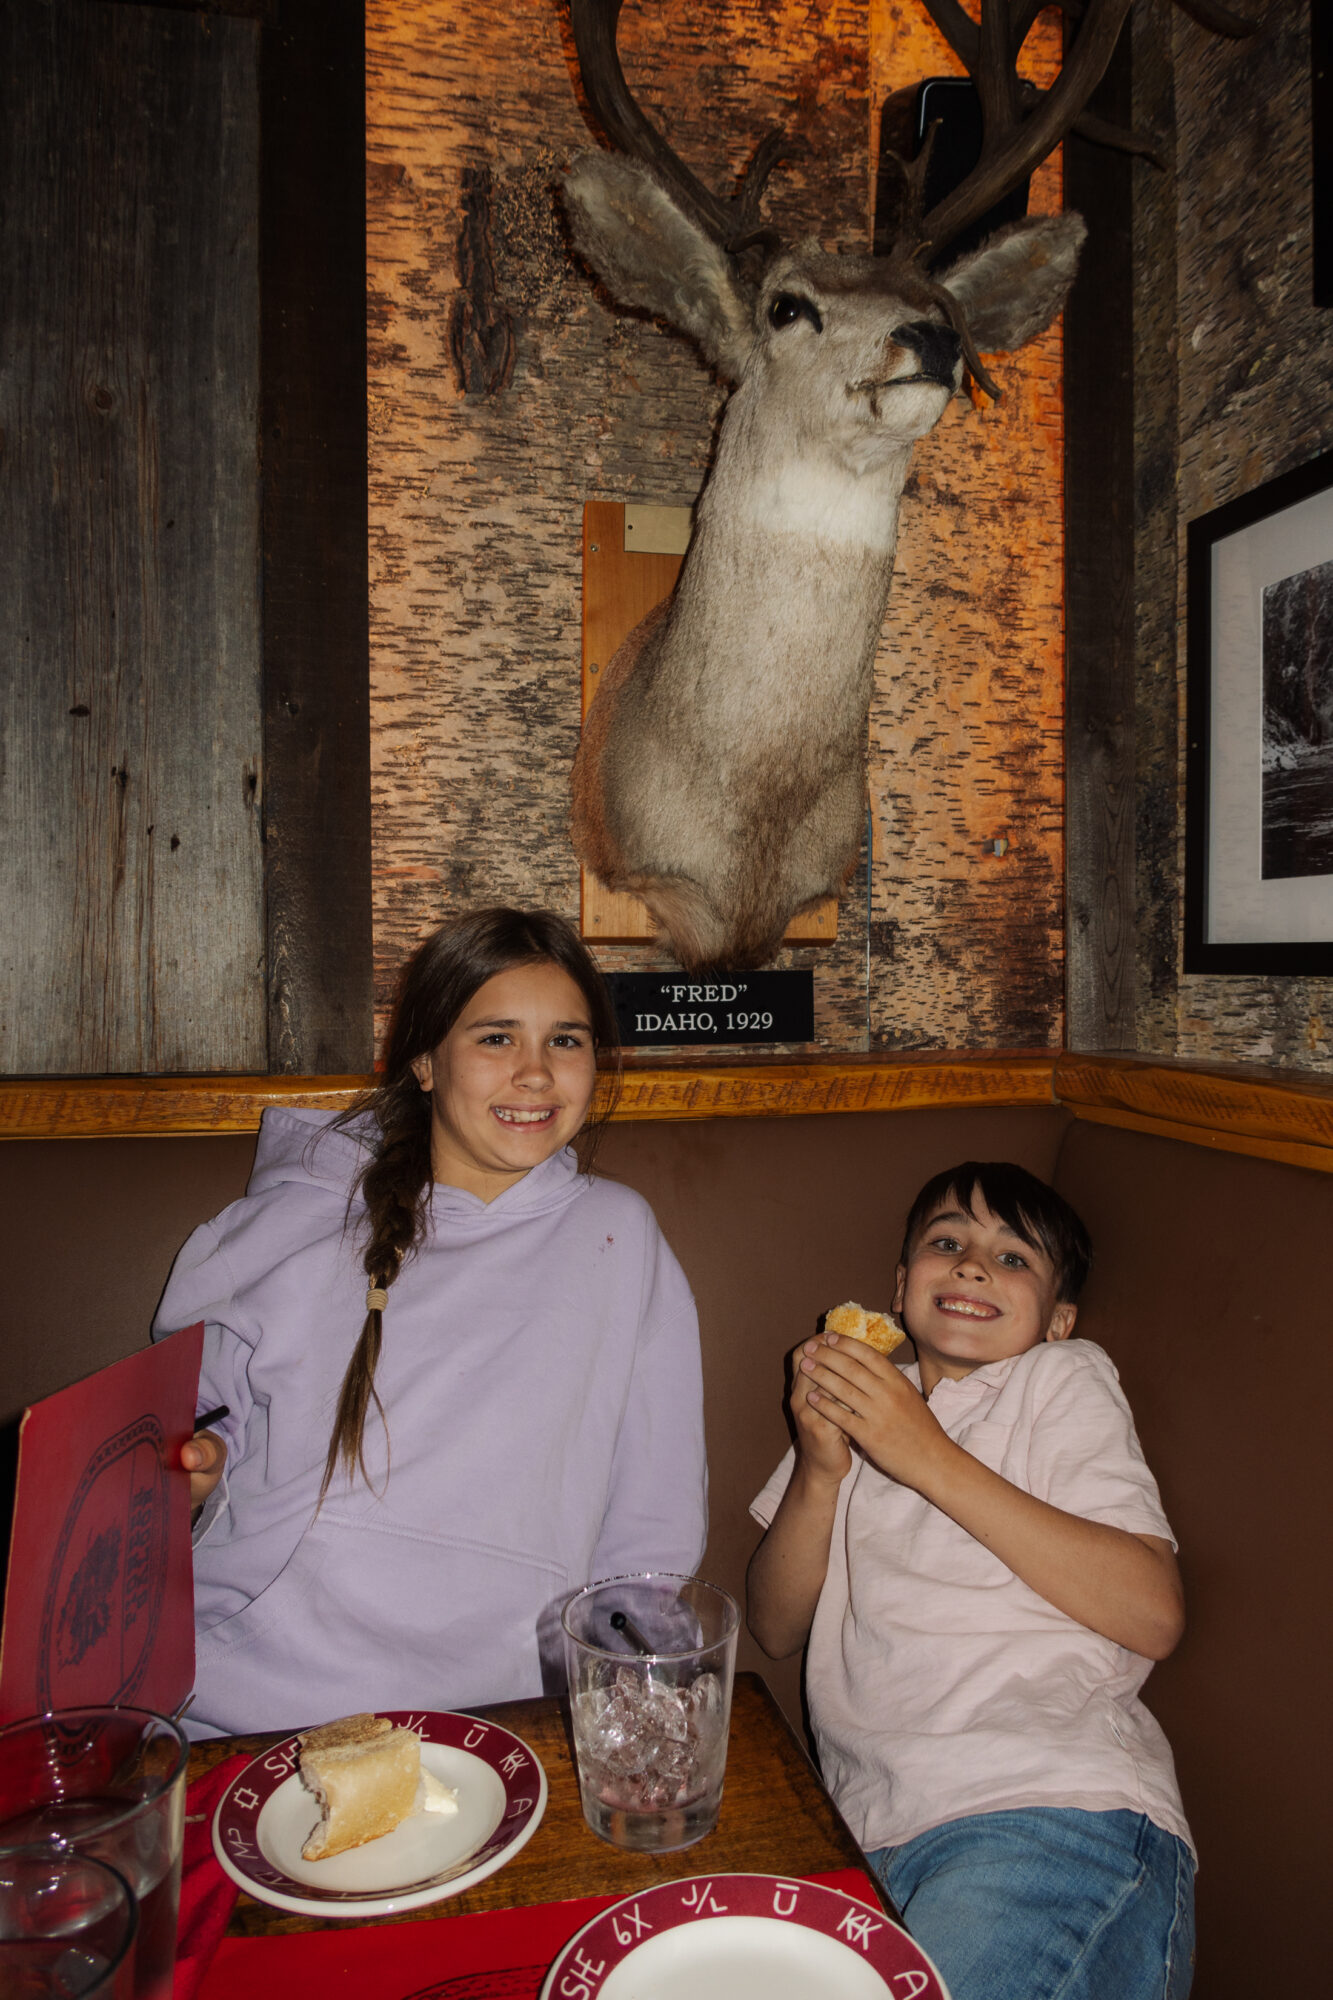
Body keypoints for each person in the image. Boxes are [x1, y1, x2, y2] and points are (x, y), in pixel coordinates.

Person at [158, 907, 707, 1737]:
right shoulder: (292, 1224)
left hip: (495, 1711)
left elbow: (650, 1523)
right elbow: (181, 1436)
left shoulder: (620, 1236)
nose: (534, 1073)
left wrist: (622, 1701)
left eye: (566, 1039)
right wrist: (190, 1472)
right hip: (248, 1700)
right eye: (494, 1038)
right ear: (423, 1059)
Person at [747, 1161, 1194, 2000]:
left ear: (1058, 1320)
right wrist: (817, 1468)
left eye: (1013, 1258)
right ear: (898, 1286)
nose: (972, 1264)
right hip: (865, 1844)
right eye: (946, 1242)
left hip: (1050, 1811)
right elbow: (775, 1628)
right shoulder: (863, 1405)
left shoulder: (1058, 1378)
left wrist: (922, 1454)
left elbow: (1151, 1610)